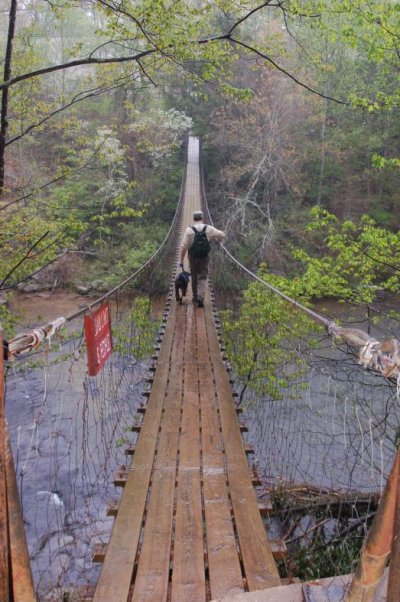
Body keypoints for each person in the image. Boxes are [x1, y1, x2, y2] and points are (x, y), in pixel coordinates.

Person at [179, 210, 225, 308]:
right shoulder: (208, 228)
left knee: (194, 277)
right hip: (204, 257)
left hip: (192, 257)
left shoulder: (189, 230)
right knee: (202, 277)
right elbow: (222, 235)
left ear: (193, 219)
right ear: (202, 218)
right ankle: (200, 297)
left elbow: (183, 247)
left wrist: (181, 261)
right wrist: (216, 239)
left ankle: (195, 298)